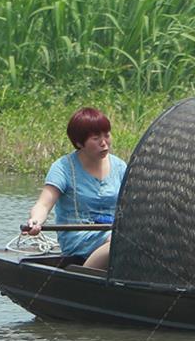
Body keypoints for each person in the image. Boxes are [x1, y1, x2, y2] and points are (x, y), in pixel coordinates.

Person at [23, 107, 127, 270]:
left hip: (114, 230)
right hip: (79, 235)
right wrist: (35, 221)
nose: (104, 142)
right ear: (79, 143)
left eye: (107, 135)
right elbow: (43, 204)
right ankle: (84, 279)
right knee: (119, 241)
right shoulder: (63, 168)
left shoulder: (120, 166)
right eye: (96, 138)